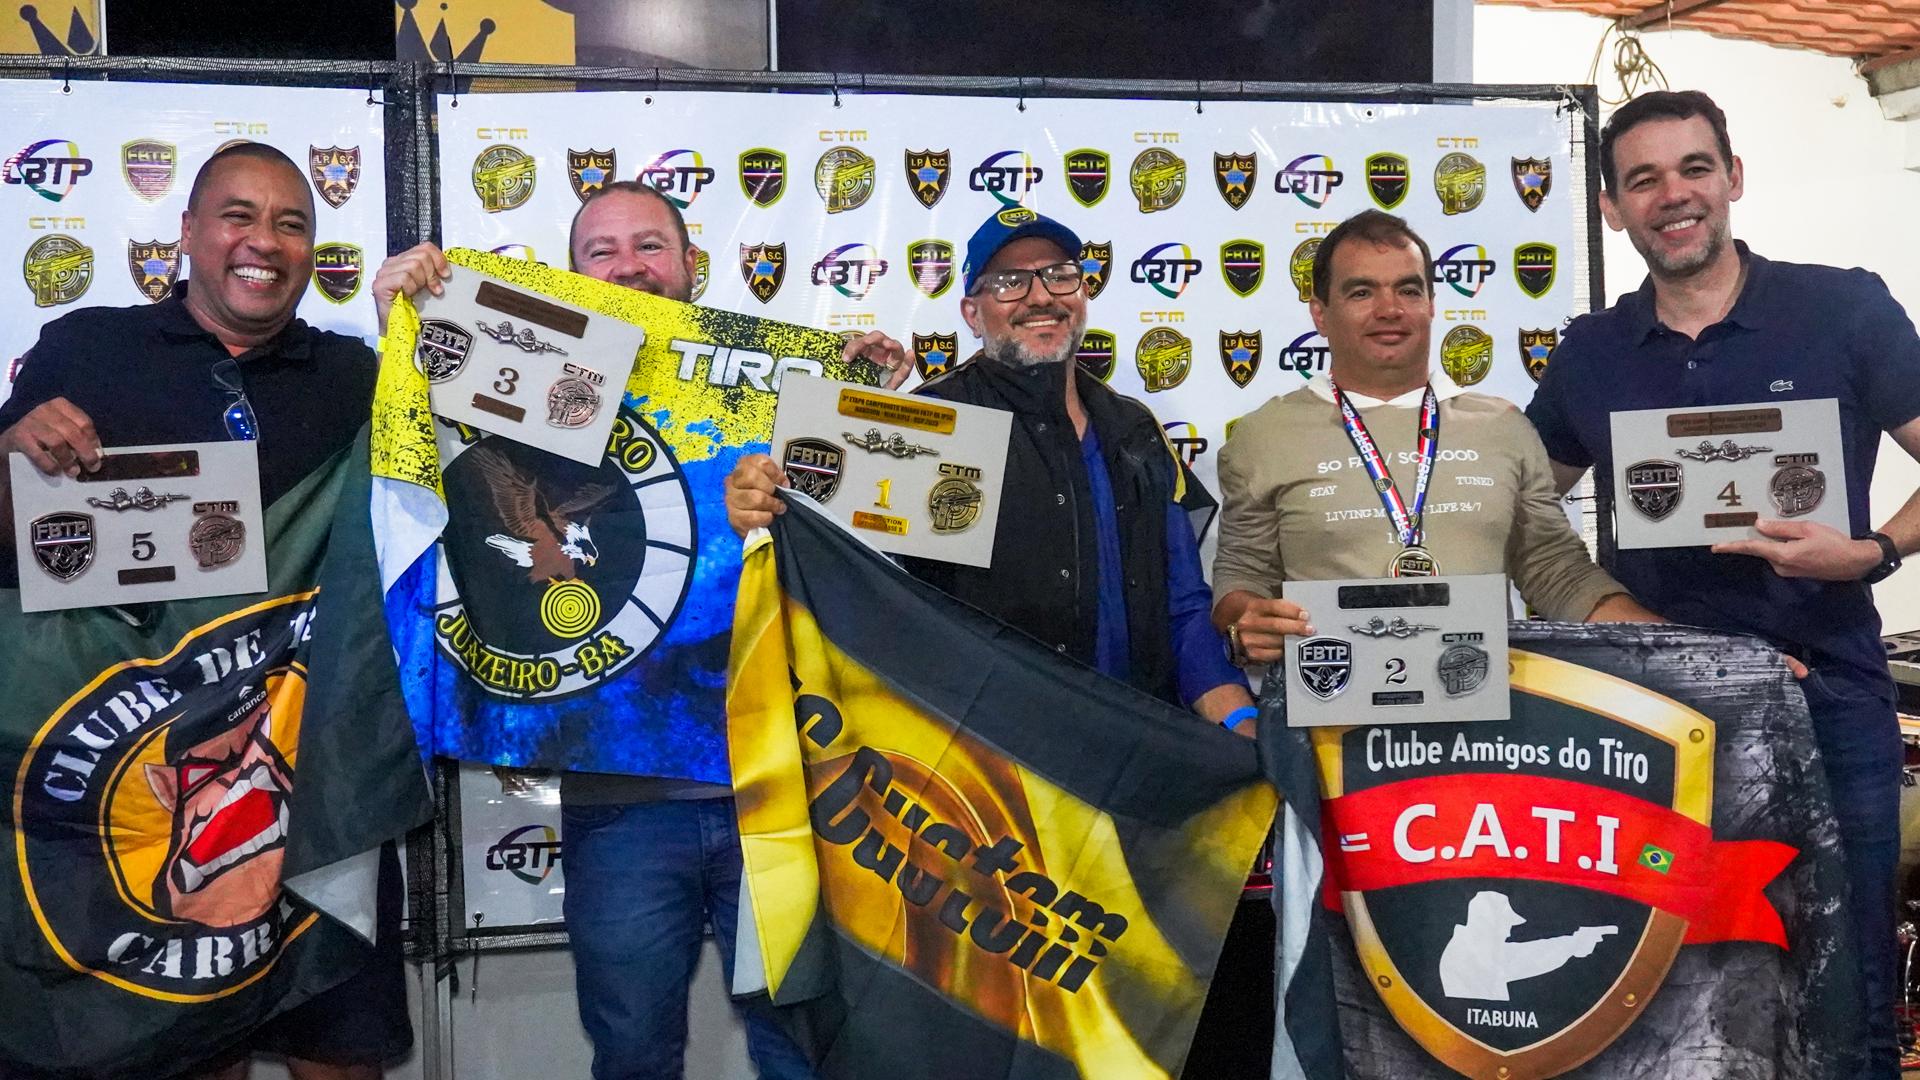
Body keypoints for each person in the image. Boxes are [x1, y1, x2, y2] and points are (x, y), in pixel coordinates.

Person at [374, 180, 908, 1080]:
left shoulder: (775, 383)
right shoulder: (529, 375)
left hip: (776, 790)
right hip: (620, 801)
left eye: (650, 246)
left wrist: (867, 393)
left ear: (692, 265)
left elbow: (876, 528)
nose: (629, 267)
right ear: (571, 274)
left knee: (804, 1048)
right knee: (631, 1053)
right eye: (603, 251)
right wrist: (403, 320)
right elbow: (424, 454)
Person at [0, 142, 428, 1080]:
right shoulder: (86, 348)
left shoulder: (352, 374)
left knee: (340, 1046)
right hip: (143, 785)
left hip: (316, 786)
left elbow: (450, 485)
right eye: (238, 215)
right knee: (187, 1050)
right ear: (187, 232)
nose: (263, 241)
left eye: (291, 224)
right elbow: (13, 539)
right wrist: (11, 450)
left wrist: (418, 338)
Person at [1524, 89, 1920, 1077]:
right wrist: (1620, 617)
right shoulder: (1592, 352)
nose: (1674, 195)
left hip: (1829, 702)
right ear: (1611, 206)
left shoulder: (1843, 308)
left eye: (1694, 168)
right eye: (1643, 179)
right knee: (1672, 1002)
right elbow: (1522, 514)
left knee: (1853, 998)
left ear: (1733, 178)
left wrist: (1872, 550)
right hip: (1654, 717)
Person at [725, 206, 1255, 726]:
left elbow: (1183, 607)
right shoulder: (933, 425)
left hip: (1138, 749)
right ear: (971, 314)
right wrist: (776, 487)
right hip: (987, 759)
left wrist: (1241, 724)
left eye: (1059, 275)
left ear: (1083, 293)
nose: (1041, 296)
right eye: (1009, 283)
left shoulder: (1135, 429)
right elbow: (847, 583)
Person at [1210, 209, 1658, 661]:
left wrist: (1672, 649)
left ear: (1431, 304)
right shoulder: (1265, 435)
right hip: (1329, 698)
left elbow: (1556, 571)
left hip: (1476, 695)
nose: (1389, 310)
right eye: (1362, 292)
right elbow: (1241, 578)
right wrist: (1245, 621)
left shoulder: (1502, 427)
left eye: (1408, 290)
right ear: (1320, 313)